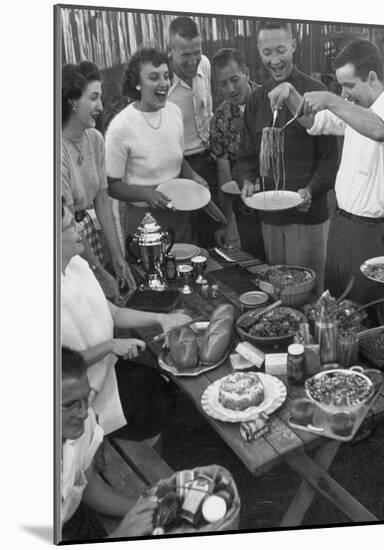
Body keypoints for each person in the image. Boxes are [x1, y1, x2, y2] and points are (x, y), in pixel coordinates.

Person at [268, 38, 384, 305]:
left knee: (364, 314)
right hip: (340, 225)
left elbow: (379, 130)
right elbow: (313, 121)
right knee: (334, 305)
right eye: (341, 88)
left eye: (349, 85)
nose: (345, 94)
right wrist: (290, 92)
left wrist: (330, 98)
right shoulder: (354, 108)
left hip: (371, 234)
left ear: (372, 77)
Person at [61, 202, 191, 437]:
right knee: (163, 399)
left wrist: (161, 318)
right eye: (70, 226)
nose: (80, 229)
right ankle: (135, 451)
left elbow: (114, 312)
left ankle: (151, 442)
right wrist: (110, 346)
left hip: (108, 369)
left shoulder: (77, 265)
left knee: (165, 386)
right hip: (80, 397)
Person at [238, 21, 338, 295]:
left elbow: (331, 158)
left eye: (281, 49)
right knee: (278, 288)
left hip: (309, 216)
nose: (274, 59)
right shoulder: (257, 100)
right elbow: (245, 156)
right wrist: (246, 180)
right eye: (267, 51)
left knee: (310, 291)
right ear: (258, 51)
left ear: (293, 45)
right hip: (270, 217)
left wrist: (311, 190)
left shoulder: (316, 92)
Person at [105, 47, 208, 245]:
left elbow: (178, 158)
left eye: (166, 76)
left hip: (180, 212)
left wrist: (192, 176)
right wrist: (145, 194)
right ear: (137, 84)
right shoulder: (121, 126)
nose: (163, 84)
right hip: (144, 218)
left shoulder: (174, 112)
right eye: (154, 77)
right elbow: (112, 186)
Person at [61, 346, 158, 540]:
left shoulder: (83, 421)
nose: (82, 413)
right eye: (70, 405)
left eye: (85, 398)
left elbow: (90, 487)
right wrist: (123, 533)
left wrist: (143, 510)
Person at [62, 61, 135, 303]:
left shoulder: (95, 139)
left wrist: (117, 258)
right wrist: (98, 271)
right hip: (64, 243)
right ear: (72, 101)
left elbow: (103, 201)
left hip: (88, 238)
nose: (101, 106)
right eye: (93, 98)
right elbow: (67, 221)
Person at [167, 16, 221, 249]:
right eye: (185, 55)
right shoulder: (162, 85)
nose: (193, 61)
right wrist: (188, 173)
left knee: (213, 234)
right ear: (171, 51)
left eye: (196, 52)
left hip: (209, 161)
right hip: (178, 169)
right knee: (184, 238)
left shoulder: (205, 65)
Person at [209, 48, 265, 259]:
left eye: (235, 79)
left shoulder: (271, 101)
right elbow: (224, 175)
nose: (231, 89)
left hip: (279, 202)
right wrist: (225, 222)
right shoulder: (220, 119)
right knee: (256, 264)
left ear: (247, 74)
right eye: (223, 84)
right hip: (246, 207)